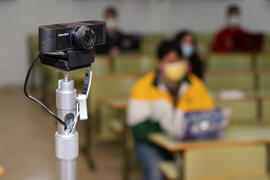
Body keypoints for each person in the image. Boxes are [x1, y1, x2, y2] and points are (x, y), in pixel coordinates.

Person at [127, 40, 214, 180]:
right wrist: (169, 135)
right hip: (151, 144)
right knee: (156, 172)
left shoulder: (196, 85)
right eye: (170, 61)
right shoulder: (143, 86)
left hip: (189, 143)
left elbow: (208, 117)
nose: (176, 65)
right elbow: (137, 127)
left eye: (179, 61)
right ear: (160, 64)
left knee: (206, 168)